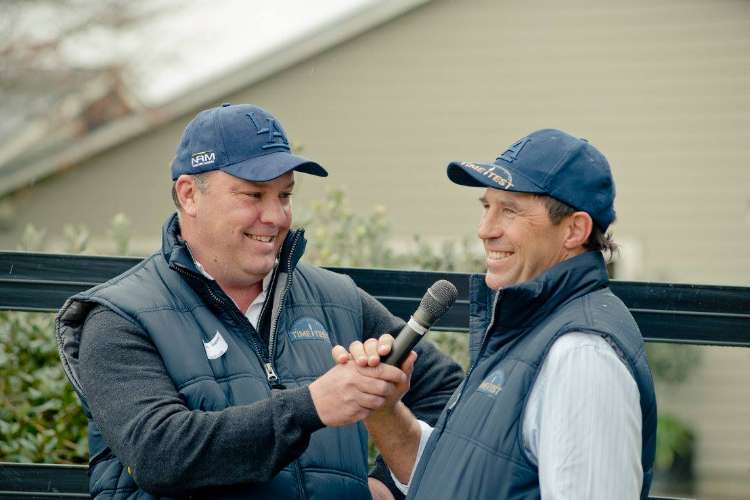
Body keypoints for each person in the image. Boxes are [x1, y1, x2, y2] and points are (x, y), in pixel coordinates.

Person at [56, 103, 463, 499]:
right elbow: (159, 454)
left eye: (284, 195)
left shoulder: (337, 299)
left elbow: (451, 396)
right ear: (189, 195)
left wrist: (388, 483)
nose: (276, 216)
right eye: (253, 195)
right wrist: (311, 407)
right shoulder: (119, 317)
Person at [334, 129, 658, 499]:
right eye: (486, 206)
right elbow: (453, 478)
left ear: (574, 229)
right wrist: (382, 409)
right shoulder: (526, 329)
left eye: (509, 210)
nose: (485, 230)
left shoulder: (582, 355)